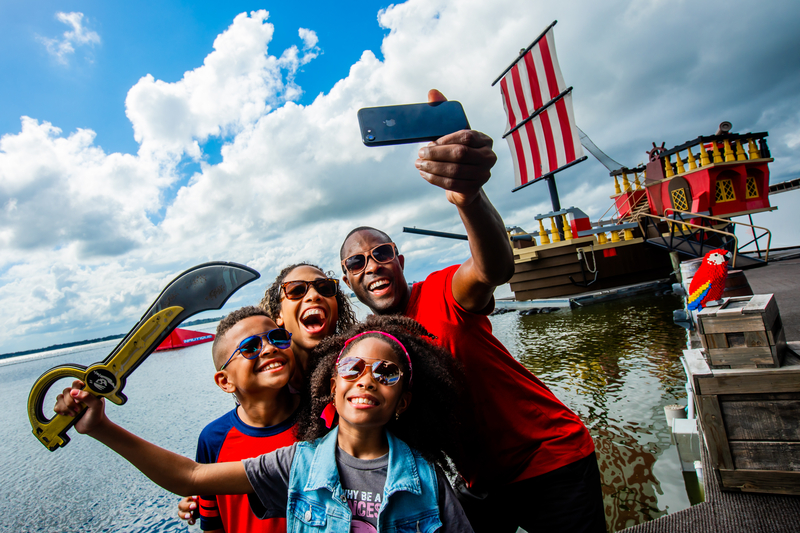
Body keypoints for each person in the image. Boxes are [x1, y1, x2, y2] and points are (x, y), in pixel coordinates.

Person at [338, 92, 605, 532]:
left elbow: (494, 267)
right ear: (348, 281)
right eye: (356, 262)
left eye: (382, 252)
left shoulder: (443, 290)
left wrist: (469, 198)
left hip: (549, 456)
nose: (372, 265)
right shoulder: (373, 345)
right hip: (482, 481)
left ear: (400, 261)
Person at [54, 315, 473, 533]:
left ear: (404, 401)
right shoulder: (299, 463)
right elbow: (192, 475)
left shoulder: (424, 476)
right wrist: (101, 427)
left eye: (386, 373)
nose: (366, 379)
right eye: (353, 368)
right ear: (331, 384)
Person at [57, 306, 300, 533]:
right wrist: (98, 425)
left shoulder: (323, 418)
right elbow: (209, 514)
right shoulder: (213, 438)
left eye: (277, 337)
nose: (269, 348)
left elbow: (190, 477)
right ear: (225, 381)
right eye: (249, 347)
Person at [177, 262, 357, 528]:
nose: (313, 295)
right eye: (295, 290)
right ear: (279, 316)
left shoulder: (348, 393)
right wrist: (210, 483)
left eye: (324, 288)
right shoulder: (223, 432)